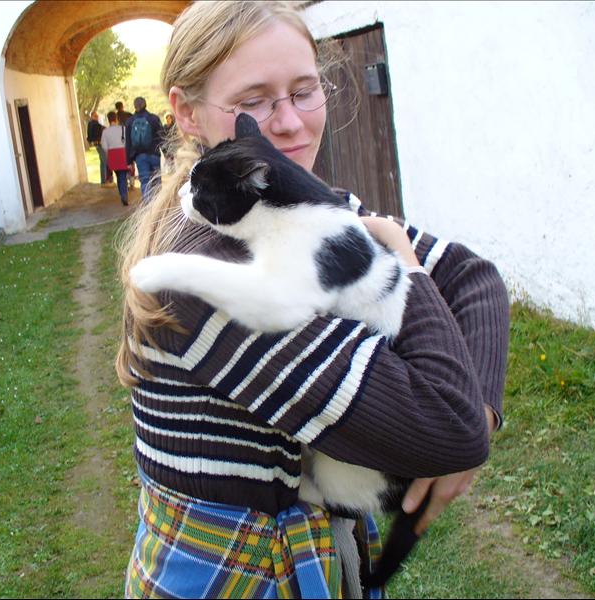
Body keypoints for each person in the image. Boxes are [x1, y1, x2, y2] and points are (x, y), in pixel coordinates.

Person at [116, 2, 509, 598]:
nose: (290, 122)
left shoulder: (294, 204)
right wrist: (406, 265)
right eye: (253, 101)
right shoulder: (209, 272)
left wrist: (477, 413)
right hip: (231, 577)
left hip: (307, 561)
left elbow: (473, 278)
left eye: (304, 91)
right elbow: (444, 430)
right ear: (187, 111)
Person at [124, 97, 163, 202]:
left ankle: (148, 205)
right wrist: (167, 153)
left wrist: (128, 161)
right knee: (157, 181)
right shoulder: (154, 119)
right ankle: (158, 205)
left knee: (145, 181)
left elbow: (128, 142)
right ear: (145, 105)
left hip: (140, 156)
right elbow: (161, 137)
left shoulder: (130, 121)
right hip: (155, 154)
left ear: (134, 106)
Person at [101, 111, 131, 206]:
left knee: (119, 175)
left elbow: (104, 146)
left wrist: (108, 155)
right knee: (122, 175)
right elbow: (128, 142)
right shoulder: (123, 129)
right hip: (122, 153)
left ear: (108, 120)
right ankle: (124, 195)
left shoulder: (105, 132)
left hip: (112, 155)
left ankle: (122, 193)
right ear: (116, 119)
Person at [86, 111, 111, 186]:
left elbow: (89, 137)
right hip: (99, 144)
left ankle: (104, 180)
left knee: (103, 162)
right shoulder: (94, 124)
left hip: (97, 144)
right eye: (96, 116)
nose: (97, 118)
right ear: (92, 116)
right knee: (105, 161)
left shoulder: (90, 124)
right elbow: (100, 128)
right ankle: (106, 180)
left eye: (97, 116)